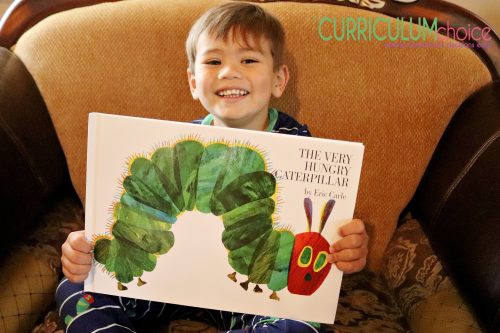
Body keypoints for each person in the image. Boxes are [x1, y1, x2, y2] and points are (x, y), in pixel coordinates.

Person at [57, 3, 369, 332]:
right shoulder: (175, 146)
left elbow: (316, 239)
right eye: (213, 61)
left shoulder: (306, 148)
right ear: (193, 82)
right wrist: (85, 249)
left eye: (248, 60)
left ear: (279, 80)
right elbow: (128, 221)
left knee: (303, 322)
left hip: (250, 295)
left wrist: (347, 249)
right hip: (164, 280)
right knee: (75, 288)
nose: (228, 72)